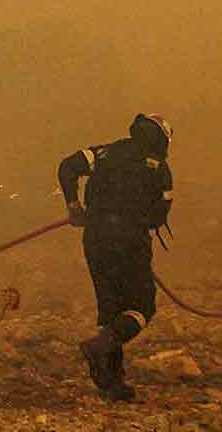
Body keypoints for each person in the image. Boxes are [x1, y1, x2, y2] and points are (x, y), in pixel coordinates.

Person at [58, 113, 174, 401]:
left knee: (111, 308)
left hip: (95, 237)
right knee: (142, 306)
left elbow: (67, 167)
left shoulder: (105, 152)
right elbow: (160, 214)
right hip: (131, 240)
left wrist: (74, 206)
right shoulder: (161, 170)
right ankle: (101, 349)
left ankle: (112, 382)